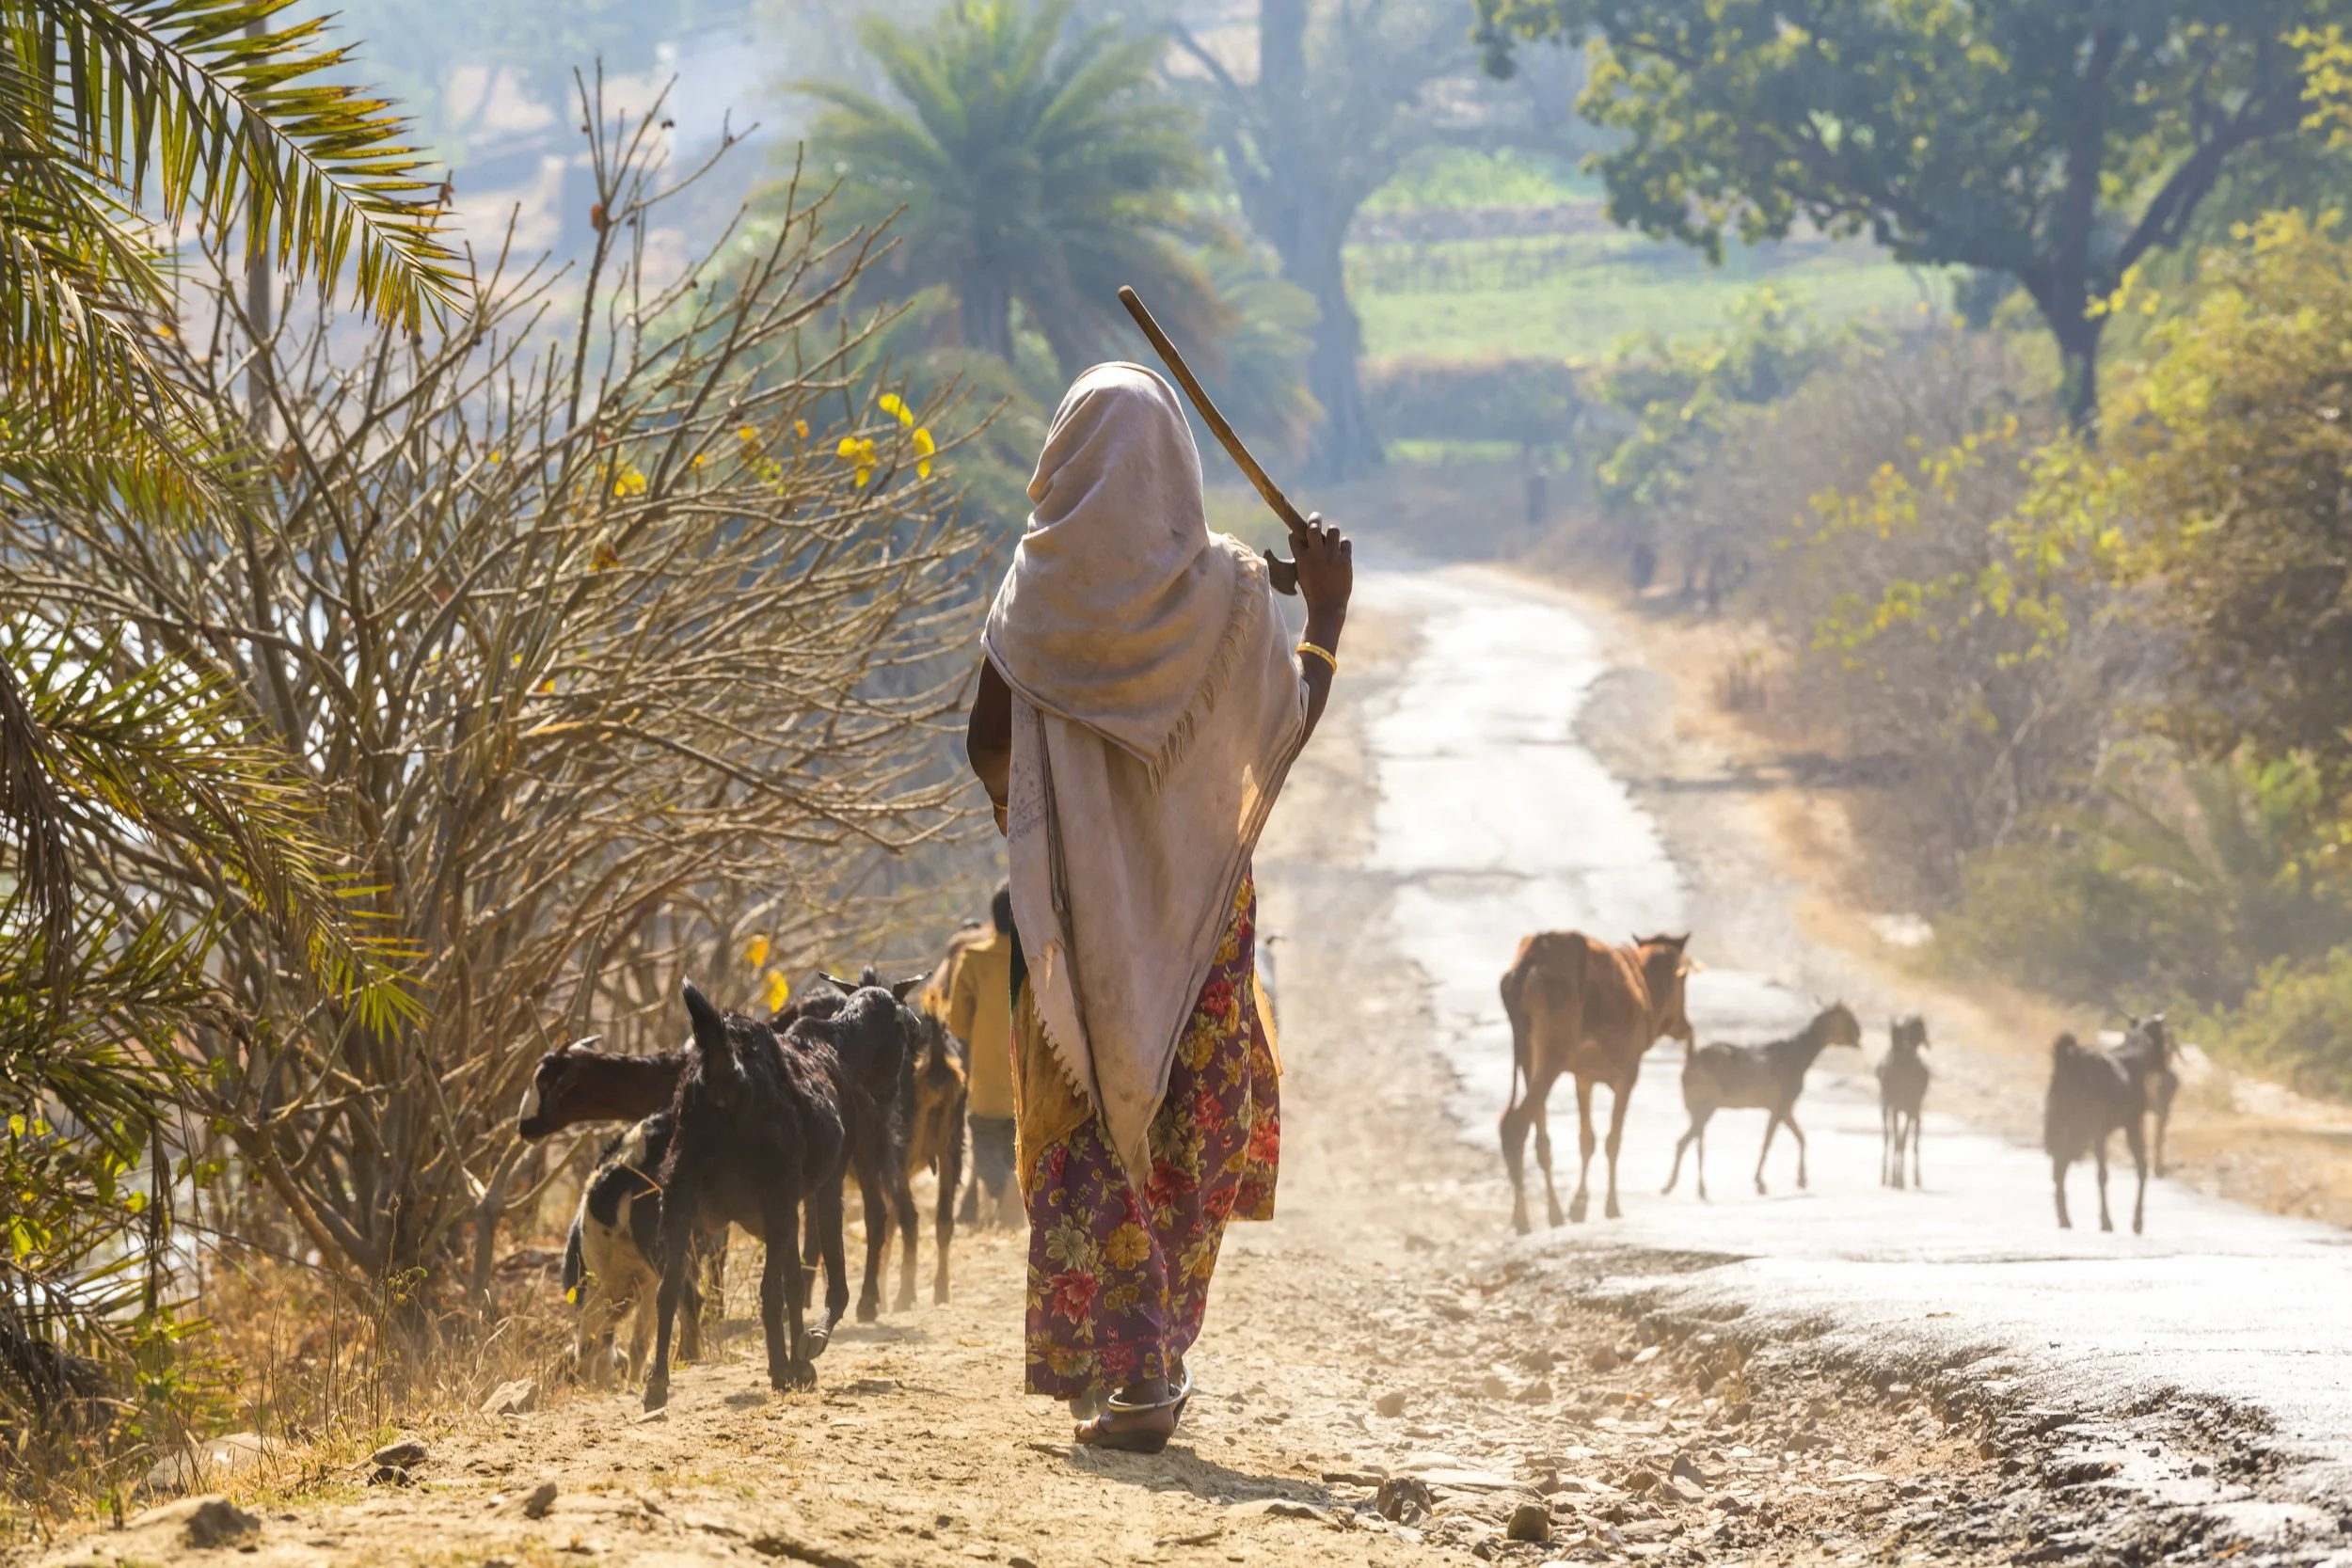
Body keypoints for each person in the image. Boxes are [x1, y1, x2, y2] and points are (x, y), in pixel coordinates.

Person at [963, 361, 1351, 1453]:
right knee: (1189, 1128)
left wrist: (1054, 821)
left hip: (1071, 923)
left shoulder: (1031, 596)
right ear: (1177, 465)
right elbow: (1283, 728)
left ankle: (1127, 1369)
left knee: (1086, 1121)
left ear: (1060, 463)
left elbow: (985, 743)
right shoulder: (1231, 594)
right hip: (1200, 928)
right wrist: (1323, 612)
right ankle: (1152, 1364)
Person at [946, 884, 1021, 1227]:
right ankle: (1019, 1192)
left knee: (985, 1145)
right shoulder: (1039, 960)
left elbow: (957, 1024)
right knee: (1019, 1146)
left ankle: (1004, 1185)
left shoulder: (974, 959)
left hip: (988, 1086)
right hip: (1029, 1086)